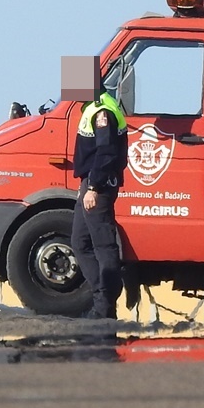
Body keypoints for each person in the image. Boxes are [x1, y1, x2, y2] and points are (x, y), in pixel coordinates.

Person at [65, 56, 128, 320]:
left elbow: (106, 152)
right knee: (79, 243)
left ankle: (105, 308)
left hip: (98, 185)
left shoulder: (102, 111)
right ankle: (102, 295)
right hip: (89, 184)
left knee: (103, 246)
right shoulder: (92, 107)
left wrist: (93, 186)